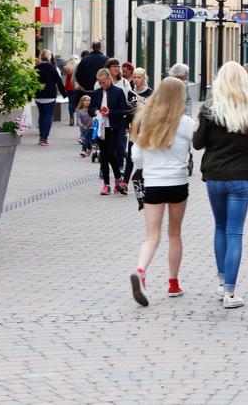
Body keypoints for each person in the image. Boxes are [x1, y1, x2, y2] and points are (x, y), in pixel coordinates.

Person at [193, 61, 248, 309]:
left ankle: (222, 283)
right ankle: (231, 292)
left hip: (215, 176)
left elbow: (198, 144)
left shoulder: (210, 109)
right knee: (235, 232)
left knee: (220, 228)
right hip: (242, 178)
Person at [128, 77, 196, 306]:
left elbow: (136, 157)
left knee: (151, 235)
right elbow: (195, 146)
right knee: (174, 233)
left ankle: (140, 270)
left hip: (153, 183)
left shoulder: (146, 120)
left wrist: (148, 165)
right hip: (177, 183)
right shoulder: (185, 122)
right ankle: (173, 283)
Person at [89, 67, 131, 195]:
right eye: (100, 83)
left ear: (109, 79)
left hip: (113, 127)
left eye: (104, 82)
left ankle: (114, 181)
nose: (102, 85)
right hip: (101, 128)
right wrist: (96, 111)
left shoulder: (118, 92)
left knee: (107, 154)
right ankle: (110, 182)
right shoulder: (96, 93)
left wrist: (110, 112)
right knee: (106, 155)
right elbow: (90, 109)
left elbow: (124, 110)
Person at [34, 50, 66, 147]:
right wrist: (64, 94)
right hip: (50, 96)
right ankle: (44, 138)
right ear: (49, 57)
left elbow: (31, 82)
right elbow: (59, 82)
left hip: (38, 96)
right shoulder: (52, 68)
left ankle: (41, 137)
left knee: (41, 115)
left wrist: (30, 96)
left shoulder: (36, 68)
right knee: (48, 116)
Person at [62, 55, 80, 125]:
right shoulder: (77, 67)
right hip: (75, 87)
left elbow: (63, 78)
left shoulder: (66, 68)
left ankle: (71, 118)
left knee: (70, 103)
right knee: (76, 104)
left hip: (68, 87)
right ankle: (76, 118)